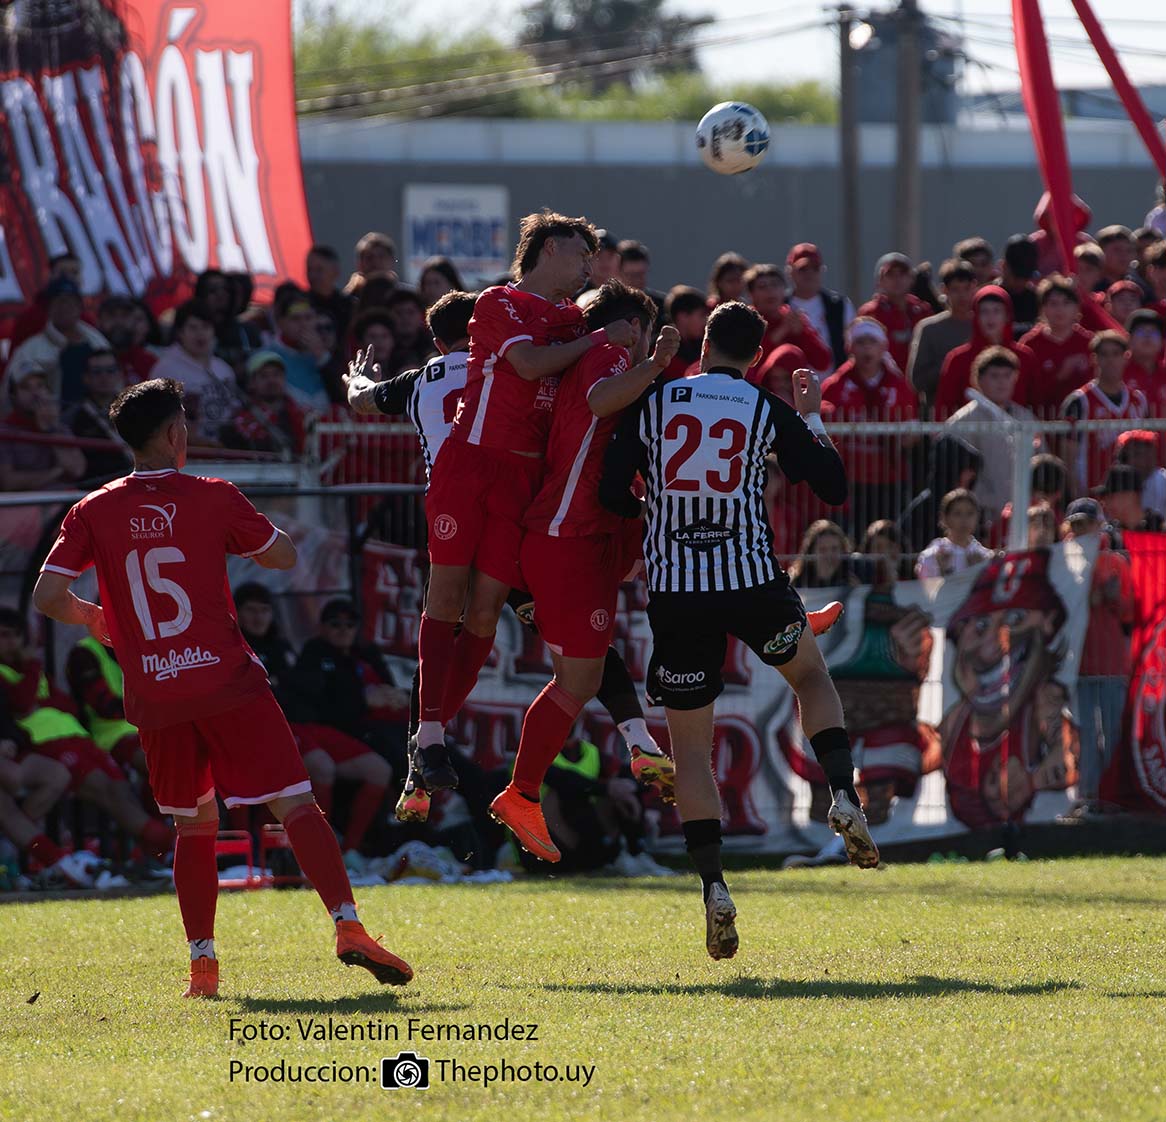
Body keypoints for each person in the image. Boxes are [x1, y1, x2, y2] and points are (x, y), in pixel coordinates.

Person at [32, 378, 413, 997]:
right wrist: (256, 541)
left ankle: (203, 967)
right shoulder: (212, 495)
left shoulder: (92, 509)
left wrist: (94, 615)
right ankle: (346, 925)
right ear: (177, 434)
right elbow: (283, 557)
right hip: (226, 680)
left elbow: (48, 596)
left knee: (194, 826)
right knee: (294, 804)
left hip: (156, 692)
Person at [599, 301, 878, 962]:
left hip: (678, 595)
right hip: (752, 583)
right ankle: (843, 795)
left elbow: (612, 489)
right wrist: (810, 413)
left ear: (702, 346)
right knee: (810, 675)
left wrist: (653, 507)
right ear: (755, 356)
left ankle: (715, 888)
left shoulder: (659, 402)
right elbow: (834, 487)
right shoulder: (761, 407)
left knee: (692, 752)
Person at [345, 290, 675, 823]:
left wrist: (355, 383)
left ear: (436, 340)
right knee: (573, 641)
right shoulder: (516, 374)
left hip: (455, 516)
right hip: (514, 524)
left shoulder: (420, 381)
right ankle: (636, 735)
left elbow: (364, 400)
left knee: (441, 634)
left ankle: (420, 756)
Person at [414, 212, 623, 795]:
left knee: (484, 614)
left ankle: (431, 733)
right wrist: (601, 337)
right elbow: (528, 364)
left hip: (523, 482)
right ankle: (429, 735)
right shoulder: (498, 302)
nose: (589, 266)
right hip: (471, 464)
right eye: (583, 254)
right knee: (447, 598)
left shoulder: (570, 319)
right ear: (550, 248)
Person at [488, 281, 681, 862]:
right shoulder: (614, 350)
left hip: (579, 532)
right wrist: (656, 364)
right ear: (636, 325)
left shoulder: (589, 356)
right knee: (577, 680)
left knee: (587, 670)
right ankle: (521, 793)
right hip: (567, 534)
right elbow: (602, 401)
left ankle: (638, 744)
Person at [0, 606, 172, 864]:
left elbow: (64, 704)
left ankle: (160, 851)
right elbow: (23, 703)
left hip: (79, 740)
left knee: (120, 789)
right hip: (48, 744)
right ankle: (173, 847)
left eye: (14, 635)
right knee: (111, 789)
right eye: (3, 635)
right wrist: (33, 671)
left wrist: (39, 701)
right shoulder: (38, 665)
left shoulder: (28, 670)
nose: (11, 642)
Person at [291, 600, 404, 863]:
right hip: (308, 730)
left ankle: (351, 851)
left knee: (383, 768)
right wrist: (363, 700)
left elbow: (388, 690)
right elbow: (318, 701)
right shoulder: (314, 653)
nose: (343, 630)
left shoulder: (365, 653)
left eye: (350, 625)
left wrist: (391, 696)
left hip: (350, 734)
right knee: (322, 766)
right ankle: (322, 848)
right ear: (322, 628)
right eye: (335, 624)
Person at [1059, 498, 1134, 819]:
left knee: (1114, 732)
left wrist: (1108, 596)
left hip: (1112, 663)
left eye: (1086, 524)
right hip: (1079, 664)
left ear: (1098, 524)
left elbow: (1129, 610)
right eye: (1075, 525)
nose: (1081, 531)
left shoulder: (1115, 562)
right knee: (1086, 735)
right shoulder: (1063, 562)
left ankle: (1112, 795)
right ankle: (1089, 796)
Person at [820, 317, 919, 533]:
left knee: (886, 534)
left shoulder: (898, 385)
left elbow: (912, 427)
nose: (866, 348)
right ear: (850, 347)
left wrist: (907, 438)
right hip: (850, 478)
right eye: (861, 342)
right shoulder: (836, 385)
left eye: (872, 342)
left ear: (883, 346)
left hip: (889, 478)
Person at [947, 346, 1041, 530]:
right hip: (981, 516)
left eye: (1007, 375)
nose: (1002, 382)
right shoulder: (963, 421)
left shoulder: (1025, 418)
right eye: (995, 376)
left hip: (1022, 513)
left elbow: (1041, 462)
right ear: (979, 380)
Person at [1062, 331, 1147, 495]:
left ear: (1126, 357)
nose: (1110, 360)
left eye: (1116, 354)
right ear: (1094, 359)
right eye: (1104, 354)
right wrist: (1076, 496)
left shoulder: (1138, 399)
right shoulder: (1079, 401)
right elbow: (1068, 456)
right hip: (1092, 493)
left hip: (1132, 494)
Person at [934, 286, 1035, 420]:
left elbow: (1037, 402)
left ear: (1007, 316)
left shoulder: (1024, 357)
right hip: (969, 437)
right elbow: (944, 407)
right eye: (984, 312)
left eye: (996, 311)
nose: (990, 317)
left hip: (1018, 436)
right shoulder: (958, 359)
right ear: (976, 316)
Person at [150, 301, 240, 444]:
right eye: (193, 328)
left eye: (206, 327)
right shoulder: (165, 369)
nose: (200, 334)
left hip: (226, 452)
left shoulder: (223, 369)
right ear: (180, 332)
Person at [5, 277, 109, 398]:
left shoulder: (98, 341)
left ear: (80, 306)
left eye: (70, 301)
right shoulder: (29, 351)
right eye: (59, 301)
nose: (65, 306)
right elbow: (8, 395)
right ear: (48, 308)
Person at [1019, 275, 1096, 416]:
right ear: (1043, 309)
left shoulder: (1090, 343)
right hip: (1043, 423)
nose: (1060, 309)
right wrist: (1060, 375)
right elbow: (1025, 391)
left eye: (1066, 303)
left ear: (1076, 308)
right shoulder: (1030, 345)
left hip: (1084, 424)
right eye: (1053, 303)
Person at [907, 258, 976, 414]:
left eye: (966, 288)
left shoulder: (985, 326)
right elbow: (917, 381)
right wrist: (951, 363)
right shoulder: (929, 329)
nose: (962, 296)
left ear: (974, 287)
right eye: (955, 289)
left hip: (982, 419)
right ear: (944, 290)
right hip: (940, 416)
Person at [0, 367, 87, 492]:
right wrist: (56, 472)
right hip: (26, 504)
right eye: (25, 387)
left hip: (64, 500)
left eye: (40, 386)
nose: (35, 393)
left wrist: (50, 430)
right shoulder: (5, 432)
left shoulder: (58, 427)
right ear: (13, 396)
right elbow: (8, 482)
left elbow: (77, 470)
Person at [744, 263, 833, 375]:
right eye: (762, 287)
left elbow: (823, 363)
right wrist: (778, 335)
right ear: (751, 294)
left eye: (775, 285)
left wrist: (801, 334)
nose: (770, 291)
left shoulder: (793, 318)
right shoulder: (746, 321)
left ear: (784, 290)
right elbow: (747, 366)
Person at [218, 350, 308, 457]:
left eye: (276, 374)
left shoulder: (303, 417)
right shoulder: (236, 426)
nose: (272, 380)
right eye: (264, 376)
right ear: (252, 383)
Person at [65, 349, 133, 482]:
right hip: (99, 486)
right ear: (86, 378)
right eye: (97, 372)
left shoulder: (135, 408)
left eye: (110, 370)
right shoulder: (73, 416)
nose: (104, 377)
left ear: (119, 374)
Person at [857, 252, 931, 373]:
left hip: (916, 385)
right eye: (890, 275)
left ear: (911, 279)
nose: (897, 280)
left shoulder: (922, 310)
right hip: (883, 385)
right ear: (880, 280)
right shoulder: (870, 313)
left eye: (902, 274)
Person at [264, 288, 336, 409]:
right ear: (280, 322)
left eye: (308, 318)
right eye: (295, 319)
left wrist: (322, 356)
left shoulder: (328, 353)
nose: (303, 324)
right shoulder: (266, 358)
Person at [786, 242, 854, 370]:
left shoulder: (839, 305)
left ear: (822, 270)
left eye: (815, 268)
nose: (809, 273)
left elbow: (852, 346)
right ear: (790, 272)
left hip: (831, 383)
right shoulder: (782, 306)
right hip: (789, 384)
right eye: (803, 269)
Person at [914, 489, 992, 578]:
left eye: (970, 513)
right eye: (957, 514)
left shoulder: (984, 556)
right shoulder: (933, 554)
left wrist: (977, 570)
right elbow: (925, 589)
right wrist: (941, 571)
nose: (964, 520)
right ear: (945, 518)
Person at [97, 295, 157, 384]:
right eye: (111, 315)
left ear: (133, 321)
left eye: (125, 315)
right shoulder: (86, 359)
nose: (118, 322)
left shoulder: (149, 363)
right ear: (99, 321)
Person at [787, 521, 859, 589]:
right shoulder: (797, 582)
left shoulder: (852, 578)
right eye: (822, 550)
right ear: (811, 552)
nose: (829, 555)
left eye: (834, 549)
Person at [1121, 309, 1166, 418]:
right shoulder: (1117, 371)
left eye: (1154, 332)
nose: (1148, 336)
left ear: (1162, 342)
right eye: (1141, 331)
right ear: (1128, 339)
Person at [306, 244, 355, 340]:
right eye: (309, 269)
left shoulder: (349, 306)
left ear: (335, 271)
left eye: (319, 270)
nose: (313, 275)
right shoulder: (302, 304)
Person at [1116, 430, 1166, 521]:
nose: (1146, 459)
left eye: (1148, 453)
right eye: (1137, 454)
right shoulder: (1120, 481)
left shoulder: (1163, 480)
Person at [660, 286, 708, 380]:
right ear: (683, 317)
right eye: (701, 316)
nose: (704, 322)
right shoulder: (662, 348)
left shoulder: (702, 346)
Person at [997, 235, 1040, 336]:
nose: (1021, 282)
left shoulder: (1039, 300)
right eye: (1017, 276)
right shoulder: (988, 298)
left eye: (1026, 277)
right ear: (1003, 266)